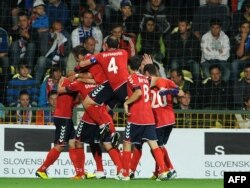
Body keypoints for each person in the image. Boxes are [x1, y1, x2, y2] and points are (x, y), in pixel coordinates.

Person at [121, 56, 170, 181]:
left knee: (127, 143)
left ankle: (125, 174)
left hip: (136, 116)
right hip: (149, 117)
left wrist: (127, 103)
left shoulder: (131, 78)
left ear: (128, 66)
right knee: (153, 143)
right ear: (139, 67)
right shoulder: (146, 78)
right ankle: (163, 171)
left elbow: (138, 93)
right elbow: (158, 79)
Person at [36, 77, 95, 179]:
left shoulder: (65, 82)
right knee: (60, 145)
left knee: (73, 142)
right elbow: (78, 98)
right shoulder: (71, 83)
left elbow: (72, 100)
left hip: (64, 117)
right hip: (64, 118)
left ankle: (80, 173)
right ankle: (41, 170)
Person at [165, 18, 201, 82]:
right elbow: (171, 53)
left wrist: (180, 51)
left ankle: (197, 87)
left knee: (196, 66)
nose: (180, 28)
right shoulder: (173, 37)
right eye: (179, 26)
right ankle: (174, 86)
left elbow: (196, 54)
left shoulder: (194, 38)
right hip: (177, 60)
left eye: (182, 26)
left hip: (190, 60)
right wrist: (188, 51)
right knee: (174, 63)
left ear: (188, 26)